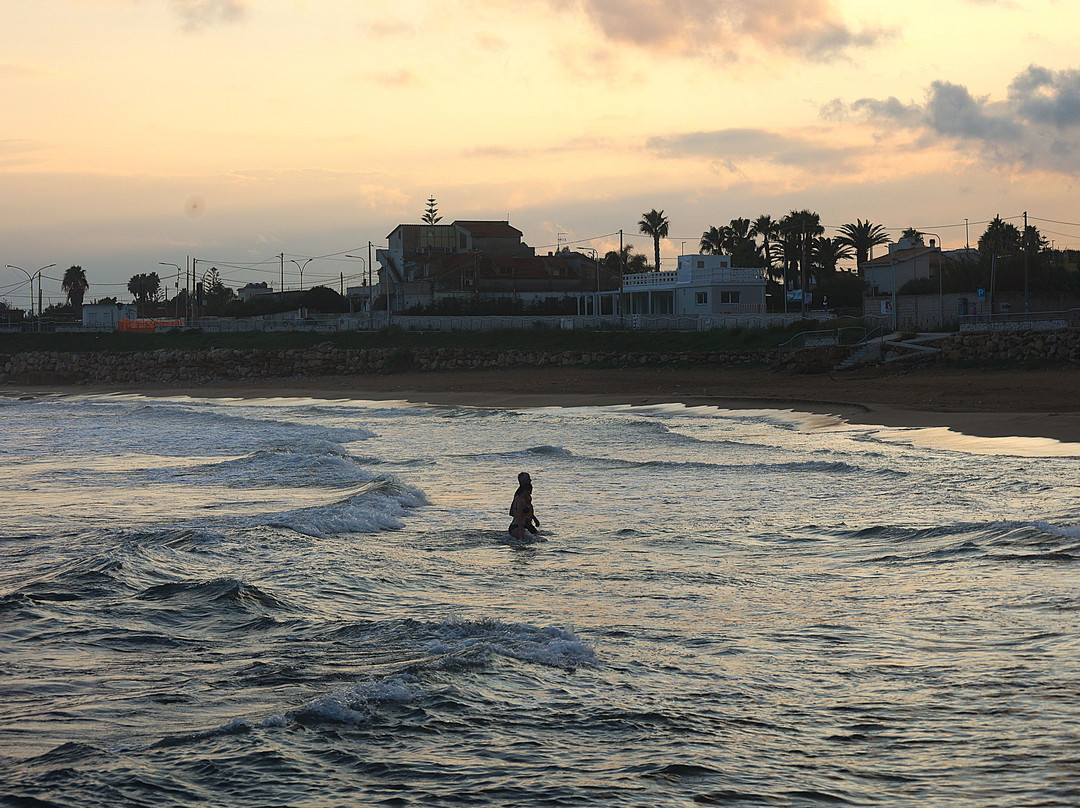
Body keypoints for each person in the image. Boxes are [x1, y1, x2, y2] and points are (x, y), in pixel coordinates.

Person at [508, 471, 540, 539]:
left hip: (527, 523)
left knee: (539, 538)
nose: (530, 480)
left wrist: (534, 518)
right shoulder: (519, 495)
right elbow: (512, 512)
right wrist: (521, 526)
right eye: (528, 479)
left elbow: (528, 508)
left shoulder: (527, 494)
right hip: (521, 524)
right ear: (522, 481)